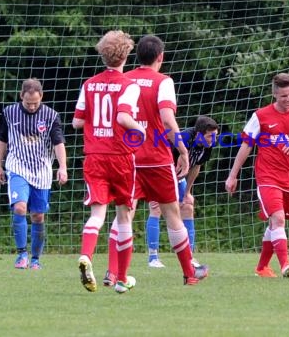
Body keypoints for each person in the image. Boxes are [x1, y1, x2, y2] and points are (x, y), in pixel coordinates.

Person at [103, 34, 208, 286]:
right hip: (157, 159)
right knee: (172, 213)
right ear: (160, 57)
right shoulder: (163, 81)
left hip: (126, 158)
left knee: (123, 215)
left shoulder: (123, 79)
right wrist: (182, 150)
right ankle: (189, 273)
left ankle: (111, 272)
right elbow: (168, 121)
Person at [225, 73, 289, 278]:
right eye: (284, 95)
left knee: (275, 223)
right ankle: (285, 264)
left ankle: (262, 268)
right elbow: (246, 146)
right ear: (274, 94)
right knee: (277, 219)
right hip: (267, 177)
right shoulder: (261, 116)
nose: (288, 99)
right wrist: (233, 175)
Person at [72, 30, 145, 293]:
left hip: (94, 156)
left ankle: (86, 256)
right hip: (121, 156)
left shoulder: (89, 84)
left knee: (97, 214)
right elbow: (124, 118)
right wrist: (141, 130)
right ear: (126, 54)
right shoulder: (129, 85)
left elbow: (77, 122)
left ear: (102, 53)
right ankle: (122, 279)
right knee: (124, 215)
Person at [0, 78, 68, 270]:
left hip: (42, 171)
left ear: (41, 97)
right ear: (21, 97)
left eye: (36, 102)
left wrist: (62, 167)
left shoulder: (51, 116)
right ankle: (21, 255)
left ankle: (35, 259)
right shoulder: (9, 113)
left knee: (37, 216)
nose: (32, 106)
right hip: (17, 166)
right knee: (19, 208)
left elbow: (58, 143)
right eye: (28, 103)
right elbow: (2, 140)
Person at [144, 115, 219, 269]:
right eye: (210, 136)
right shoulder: (181, 139)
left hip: (178, 176)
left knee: (188, 206)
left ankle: (189, 256)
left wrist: (187, 193)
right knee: (156, 208)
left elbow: (196, 166)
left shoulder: (208, 144)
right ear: (199, 134)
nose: (213, 139)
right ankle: (153, 257)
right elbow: (164, 161)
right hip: (160, 172)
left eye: (215, 135)